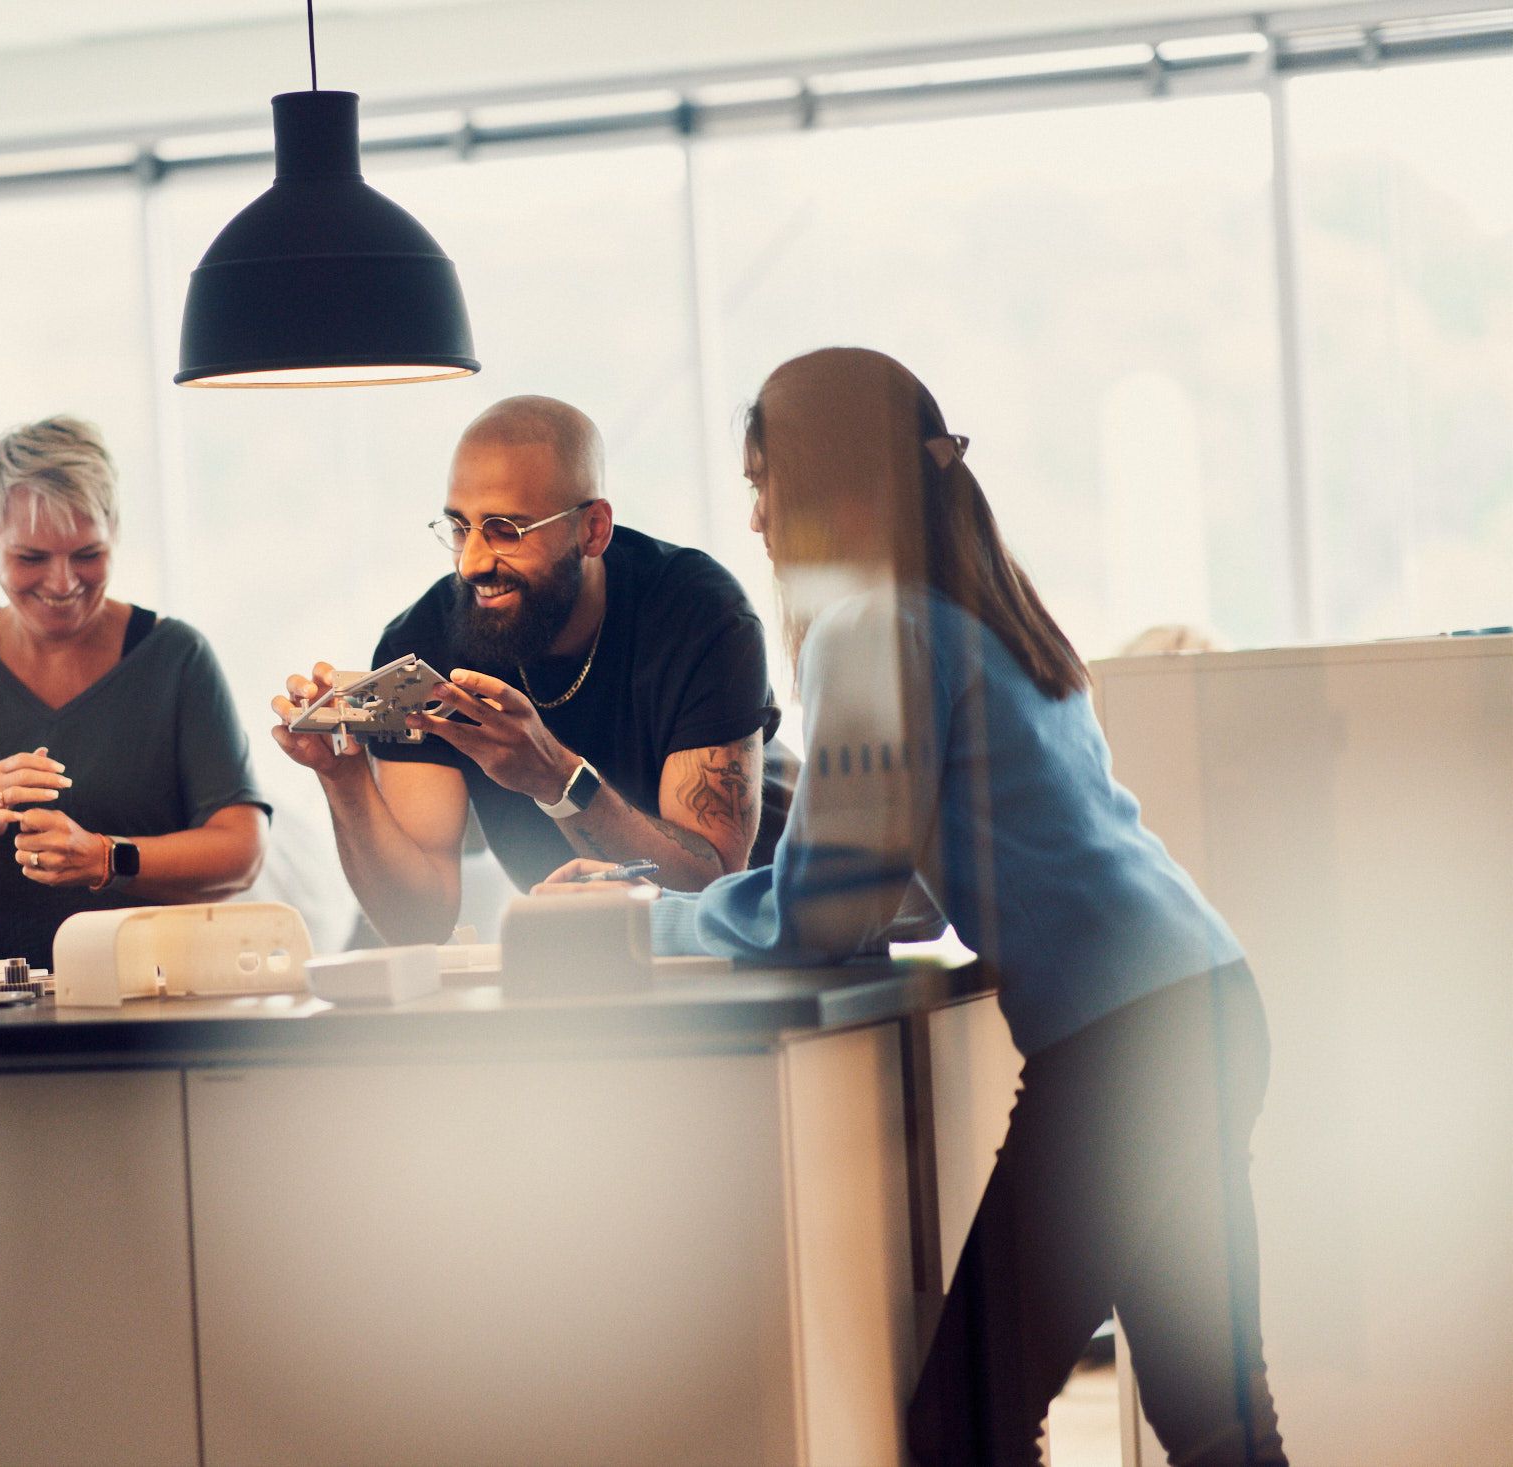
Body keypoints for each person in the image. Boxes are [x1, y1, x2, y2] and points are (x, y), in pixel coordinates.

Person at [542, 348, 1286, 1466]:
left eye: (762, 484)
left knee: (965, 1427)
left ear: (832, 486)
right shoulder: (979, 605)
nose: (753, 520)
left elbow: (826, 910)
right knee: (1217, 1424)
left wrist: (628, 924)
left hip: (1131, 1047)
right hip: (1204, 1004)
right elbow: (884, 881)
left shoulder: (868, 624)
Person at [271, 395, 779, 946]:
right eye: (460, 528)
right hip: (580, 958)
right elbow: (419, 924)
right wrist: (344, 780)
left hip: (759, 938)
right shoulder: (424, 642)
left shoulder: (698, 613)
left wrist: (557, 778)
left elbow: (710, 888)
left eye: (506, 530)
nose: (472, 563)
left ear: (593, 530)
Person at [0, 416, 268, 962]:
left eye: (87, 554)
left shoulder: (177, 658)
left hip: (166, 1009)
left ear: (115, 532)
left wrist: (106, 859)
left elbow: (241, 853)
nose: (62, 583)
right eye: (30, 558)